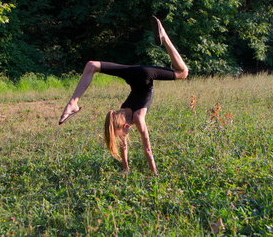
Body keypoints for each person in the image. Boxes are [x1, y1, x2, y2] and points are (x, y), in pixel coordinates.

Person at [59, 16, 188, 175]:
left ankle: (164, 37)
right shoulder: (118, 114)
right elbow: (124, 145)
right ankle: (73, 103)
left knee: (183, 72)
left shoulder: (138, 118)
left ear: (126, 126)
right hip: (131, 74)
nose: (123, 139)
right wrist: (125, 168)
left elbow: (147, 148)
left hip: (144, 75)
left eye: (121, 135)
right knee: (92, 65)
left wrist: (154, 174)